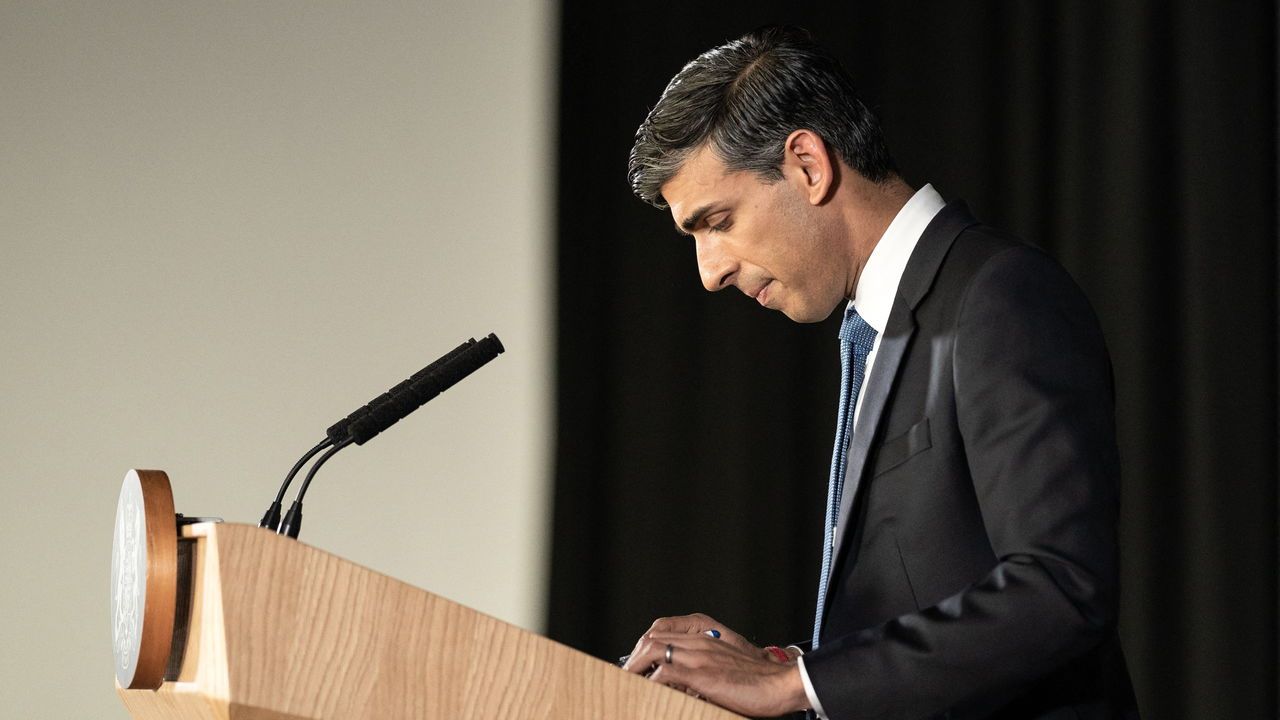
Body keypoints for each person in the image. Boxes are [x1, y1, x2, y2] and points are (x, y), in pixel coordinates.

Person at [620, 26, 1141, 720]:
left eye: (717, 221)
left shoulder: (998, 295)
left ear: (807, 163)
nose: (710, 272)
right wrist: (794, 668)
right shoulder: (879, 327)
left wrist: (794, 688)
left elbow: (1060, 587)